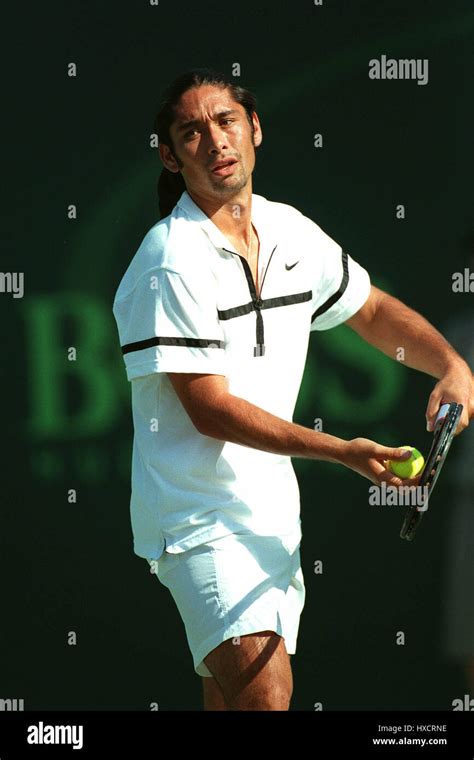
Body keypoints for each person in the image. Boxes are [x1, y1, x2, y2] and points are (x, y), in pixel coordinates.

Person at [112, 68, 473, 711]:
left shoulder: (291, 231)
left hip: (272, 518)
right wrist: (340, 452)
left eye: (225, 121)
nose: (214, 140)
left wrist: (450, 363)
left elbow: (370, 312)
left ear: (253, 129)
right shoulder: (168, 262)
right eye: (191, 132)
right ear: (170, 155)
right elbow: (209, 409)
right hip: (196, 520)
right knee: (268, 700)